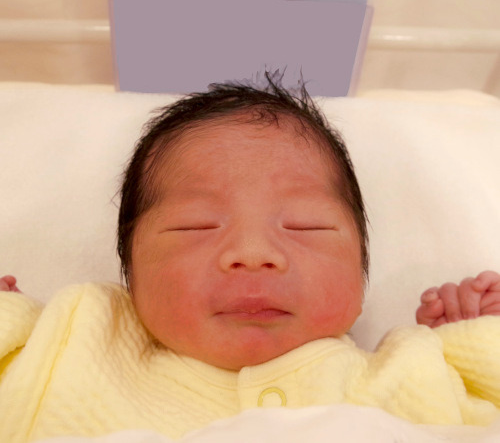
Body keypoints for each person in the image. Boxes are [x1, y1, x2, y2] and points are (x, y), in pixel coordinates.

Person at [1, 74, 500, 442]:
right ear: (130, 275)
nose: (254, 254)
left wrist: (475, 338)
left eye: (305, 226)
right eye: (195, 226)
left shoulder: (414, 374)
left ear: (361, 268)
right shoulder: (71, 349)